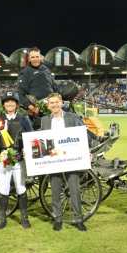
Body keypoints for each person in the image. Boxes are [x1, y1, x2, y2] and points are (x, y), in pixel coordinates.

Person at [41, 92, 87, 232]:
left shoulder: (72, 117)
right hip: (54, 160)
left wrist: (87, 151)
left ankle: (78, 219)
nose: (54, 105)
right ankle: (58, 218)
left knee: (74, 190)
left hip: (71, 159)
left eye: (56, 102)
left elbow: (83, 135)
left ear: (61, 103)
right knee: (55, 190)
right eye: (51, 103)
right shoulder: (45, 121)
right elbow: (41, 139)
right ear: (48, 106)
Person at [0, 91, 33, 229]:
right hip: (4, 159)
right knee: (4, 188)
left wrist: (26, 149)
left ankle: (24, 218)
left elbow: (30, 137)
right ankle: (2, 219)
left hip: (19, 159)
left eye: (12, 101)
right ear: (4, 104)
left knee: (20, 187)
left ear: (17, 104)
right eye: (7, 101)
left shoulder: (24, 119)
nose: (10, 104)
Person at [18, 47, 58, 118]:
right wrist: (32, 108)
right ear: (29, 59)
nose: (35, 59)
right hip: (37, 110)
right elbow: (21, 94)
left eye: (37, 56)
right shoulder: (24, 72)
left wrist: (58, 99)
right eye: (32, 57)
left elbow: (54, 87)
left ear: (40, 57)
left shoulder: (46, 69)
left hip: (52, 106)